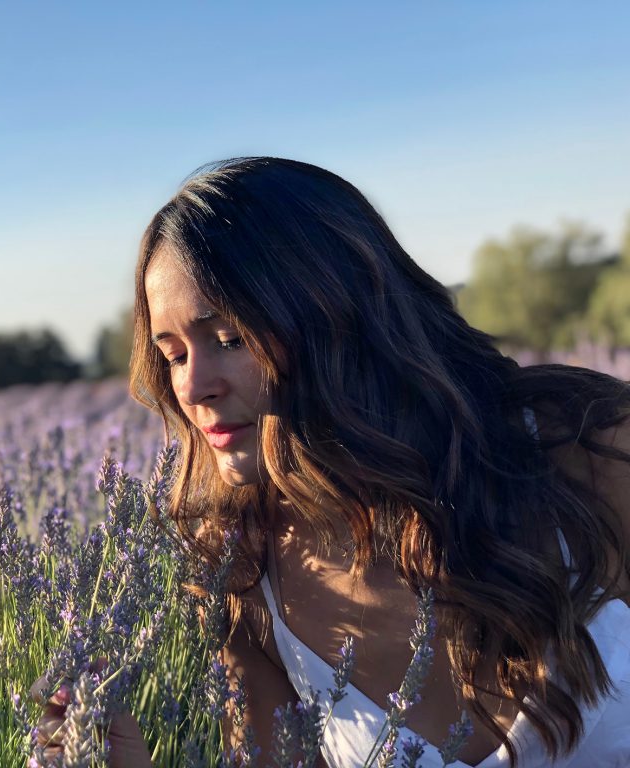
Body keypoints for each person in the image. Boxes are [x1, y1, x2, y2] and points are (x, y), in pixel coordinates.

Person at [31, 158, 630, 766]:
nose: (193, 386)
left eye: (229, 339)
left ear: (335, 315)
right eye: (174, 354)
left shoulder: (584, 448)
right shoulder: (244, 577)